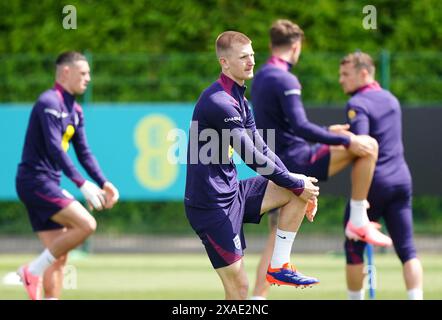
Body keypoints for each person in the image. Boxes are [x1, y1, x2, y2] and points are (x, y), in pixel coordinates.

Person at [250, 19, 392, 300]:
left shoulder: (263, 75)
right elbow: (300, 126)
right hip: (297, 160)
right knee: (368, 146)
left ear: (270, 45)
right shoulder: (285, 78)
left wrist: (327, 132)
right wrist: (347, 139)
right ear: (296, 46)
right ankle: (358, 217)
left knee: (275, 237)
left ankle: (256, 299)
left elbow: (283, 128)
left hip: (277, 163)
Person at [184, 31, 321, 300]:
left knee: (300, 184)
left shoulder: (241, 102)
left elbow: (263, 148)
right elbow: (253, 158)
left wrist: (297, 183)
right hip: (210, 206)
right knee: (240, 290)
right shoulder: (219, 102)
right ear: (224, 63)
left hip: (233, 193)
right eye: (243, 57)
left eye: (253, 55)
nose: (251, 61)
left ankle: (279, 266)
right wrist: (295, 184)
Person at [15, 51, 120, 300]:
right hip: (34, 181)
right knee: (86, 224)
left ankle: (44, 287)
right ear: (65, 72)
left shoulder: (75, 109)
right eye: (83, 73)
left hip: (47, 182)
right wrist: (81, 183)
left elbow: (83, 152)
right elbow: (53, 147)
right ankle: (31, 271)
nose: (88, 78)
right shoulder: (48, 102)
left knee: (58, 255)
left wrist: (104, 182)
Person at [339, 51, 423, 300]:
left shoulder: (357, 104)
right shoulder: (391, 99)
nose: (341, 80)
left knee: (353, 248)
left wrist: (335, 142)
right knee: (408, 250)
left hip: (373, 185)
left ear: (363, 73)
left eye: (345, 74)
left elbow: (362, 145)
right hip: (401, 181)